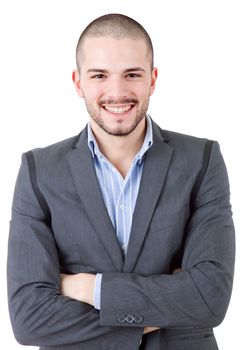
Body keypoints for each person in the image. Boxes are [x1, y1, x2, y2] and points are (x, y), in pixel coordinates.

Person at [7, 13, 235, 350]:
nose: (117, 92)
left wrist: (87, 288)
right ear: (78, 81)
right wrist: (164, 307)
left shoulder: (202, 160)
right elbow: (29, 319)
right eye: (99, 75)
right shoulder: (38, 169)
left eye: (132, 74)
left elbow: (210, 296)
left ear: (152, 80)